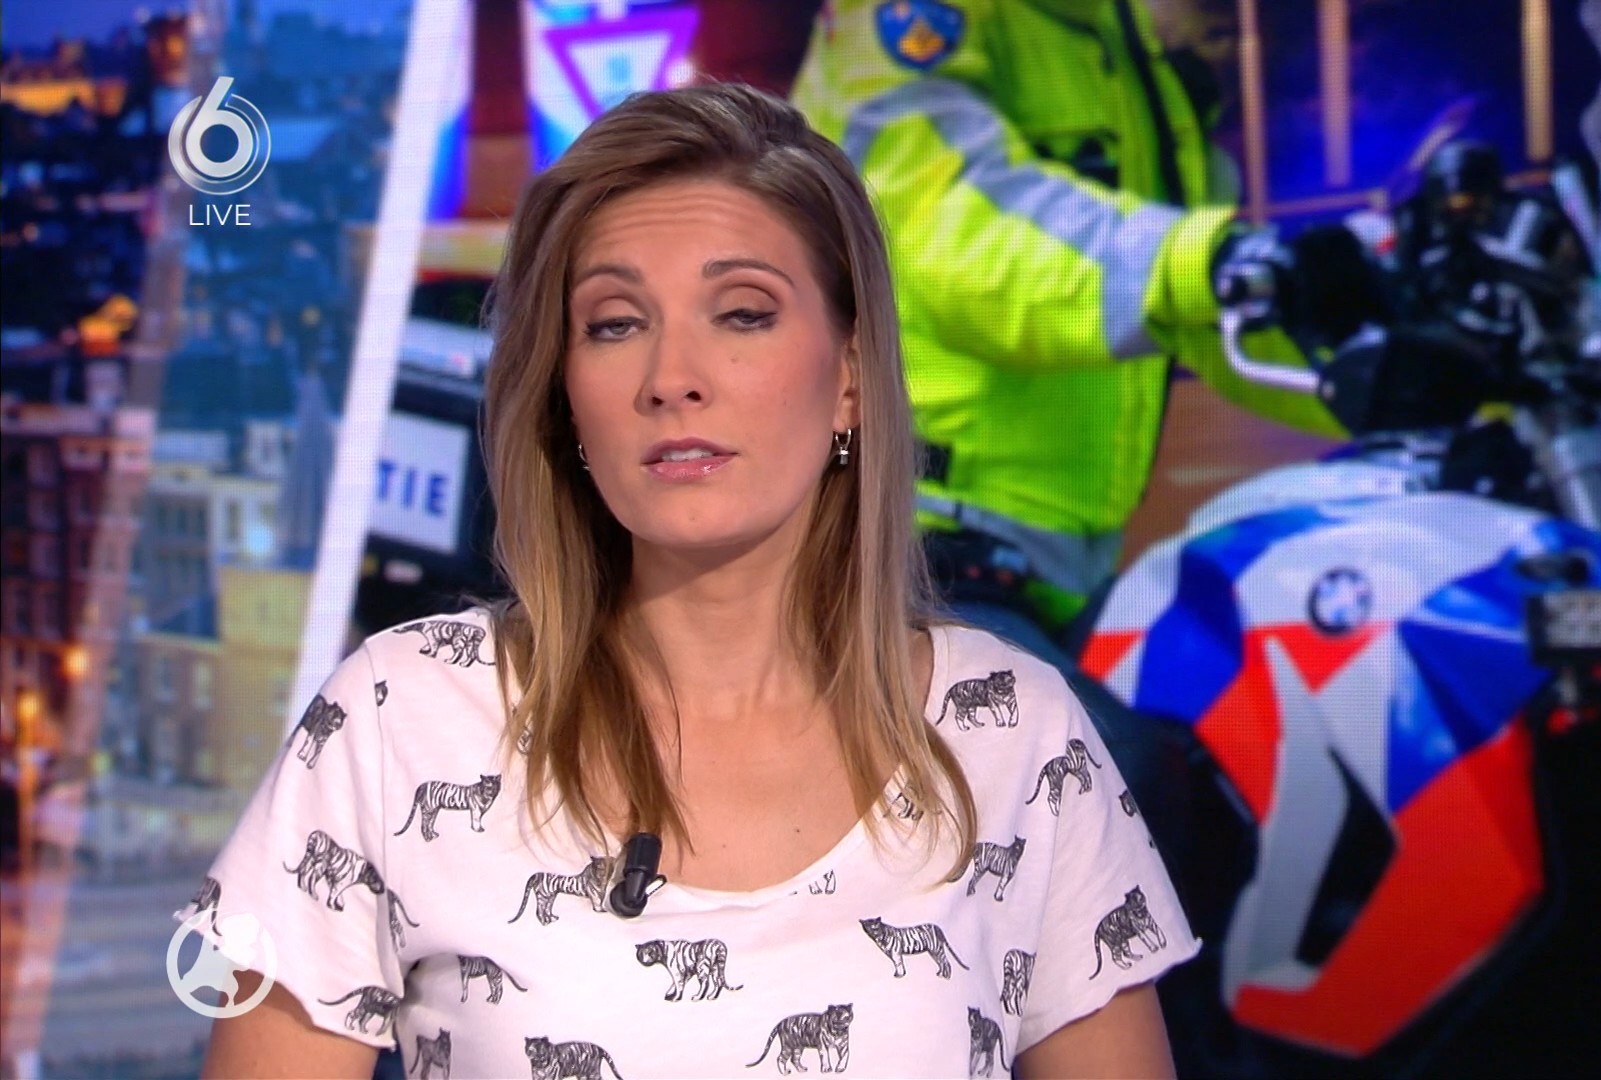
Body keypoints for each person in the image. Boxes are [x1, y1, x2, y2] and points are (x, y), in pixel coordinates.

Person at [177, 84, 1198, 1078]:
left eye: (742, 314)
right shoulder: (398, 718)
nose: (672, 378)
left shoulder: (1013, 735)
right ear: (564, 395)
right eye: (615, 324)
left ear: (849, 375)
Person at [790, 0, 1387, 657]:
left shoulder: (1117, 45)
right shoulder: (902, 21)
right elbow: (953, 235)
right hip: (902, 553)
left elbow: (1188, 304)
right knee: (1117, 732)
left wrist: (1393, 363)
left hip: (1056, 573)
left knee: (1257, 690)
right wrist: (1205, 262)